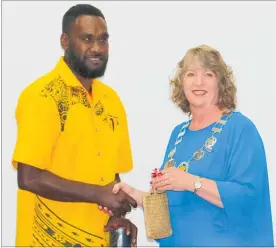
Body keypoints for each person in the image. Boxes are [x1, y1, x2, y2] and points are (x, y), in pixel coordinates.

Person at [106, 45, 274, 246]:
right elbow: (169, 206)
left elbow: (249, 198)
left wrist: (191, 182)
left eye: (208, 74)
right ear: (181, 82)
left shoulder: (240, 129)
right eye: (191, 74)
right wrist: (137, 196)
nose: (199, 82)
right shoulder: (178, 134)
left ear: (221, 83)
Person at [11, 4, 138, 247]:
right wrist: (97, 194)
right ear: (65, 41)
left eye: (103, 39)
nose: (97, 48)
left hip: (99, 239)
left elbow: (111, 177)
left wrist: (116, 216)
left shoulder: (111, 100)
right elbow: (29, 178)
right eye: (87, 39)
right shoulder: (42, 96)